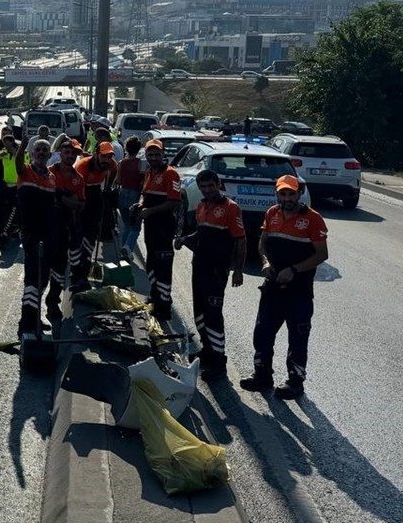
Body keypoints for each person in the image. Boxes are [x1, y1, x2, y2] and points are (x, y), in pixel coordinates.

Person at [240, 175, 329, 400]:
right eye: (283, 193)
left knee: (297, 338)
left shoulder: (313, 219)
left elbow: (322, 254)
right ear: (277, 194)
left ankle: (295, 382)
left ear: (300, 193)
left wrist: (295, 270)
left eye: (291, 193)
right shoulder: (272, 213)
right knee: (262, 333)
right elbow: (263, 242)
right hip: (272, 287)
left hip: (299, 291)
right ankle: (262, 376)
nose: (287, 198)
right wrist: (265, 261)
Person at [174, 169, 246, 381]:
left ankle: (218, 362)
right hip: (199, 265)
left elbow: (241, 240)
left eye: (211, 186)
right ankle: (207, 349)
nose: (207, 190)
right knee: (200, 311)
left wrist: (238, 270)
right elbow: (202, 233)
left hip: (217, 269)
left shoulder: (231, 208)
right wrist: (185, 239)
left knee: (213, 315)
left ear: (218, 184)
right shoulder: (201, 206)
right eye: (203, 187)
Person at [130, 139, 181, 322]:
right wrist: (140, 205)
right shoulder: (150, 172)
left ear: (163, 154)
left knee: (163, 268)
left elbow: (174, 203)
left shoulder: (170, 174)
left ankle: (165, 307)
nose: (153, 157)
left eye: (156, 154)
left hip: (164, 227)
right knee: (151, 263)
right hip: (150, 227)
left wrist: (151, 210)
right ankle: (154, 297)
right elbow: (146, 195)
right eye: (150, 154)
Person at [14, 137, 58, 337]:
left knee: (43, 277)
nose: (41, 152)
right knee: (32, 279)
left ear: (49, 155)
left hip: (47, 234)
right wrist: (22, 145)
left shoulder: (51, 178)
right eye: (37, 149)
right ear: (32, 154)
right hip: (31, 234)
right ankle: (27, 322)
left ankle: (36, 315)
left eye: (44, 150)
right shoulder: (25, 171)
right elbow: (17, 164)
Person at [48, 138, 86, 316]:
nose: (70, 156)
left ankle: (53, 302)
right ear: (60, 154)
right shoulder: (49, 173)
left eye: (73, 153)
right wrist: (66, 198)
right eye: (67, 152)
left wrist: (61, 198)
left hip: (66, 227)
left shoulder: (78, 179)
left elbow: (79, 205)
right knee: (41, 269)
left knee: (59, 266)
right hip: (47, 227)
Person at [72, 141, 116, 290]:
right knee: (78, 234)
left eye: (109, 157)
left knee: (91, 235)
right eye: (104, 157)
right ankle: (76, 273)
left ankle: (84, 269)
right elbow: (78, 189)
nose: (107, 160)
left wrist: (108, 188)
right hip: (79, 194)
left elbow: (115, 170)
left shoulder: (110, 164)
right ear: (96, 154)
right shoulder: (82, 166)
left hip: (95, 193)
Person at [117, 136, 144, 260]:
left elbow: (118, 180)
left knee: (127, 223)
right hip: (135, 194)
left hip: (123, 192)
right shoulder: (141, 163)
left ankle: (125, 249)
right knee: (136, 225)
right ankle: (128, 247)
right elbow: (143, 181)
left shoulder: (121, 163)